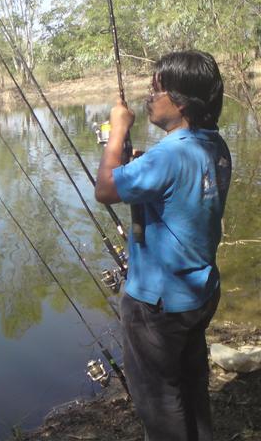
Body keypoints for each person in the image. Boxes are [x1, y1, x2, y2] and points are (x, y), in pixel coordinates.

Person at [94, 50, 232, 441]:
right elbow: (180, 189)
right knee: (191, 385)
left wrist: (117, 129)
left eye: (156, 89)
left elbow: (105, 189)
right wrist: (142, 163)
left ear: (182, 102)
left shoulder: (170, 155)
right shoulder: (213, 144)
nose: (148, 96)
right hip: (199, 295)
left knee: (160, 398)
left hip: (157, 305)